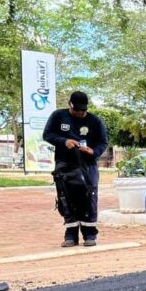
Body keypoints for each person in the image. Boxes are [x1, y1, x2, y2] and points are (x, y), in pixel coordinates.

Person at [43, 91, 109, 247]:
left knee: (89, 196)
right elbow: (47, 135)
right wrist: (63, 141)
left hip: (88, 165)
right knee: (67, 198)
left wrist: (94, 151)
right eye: (77, 110)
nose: (80, 113)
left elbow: (103, 142)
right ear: (70, 105)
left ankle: (90, 234)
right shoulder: (58, 116)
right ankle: (71, 236)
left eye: (83, 110)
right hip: (65, 164)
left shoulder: (95, 121)